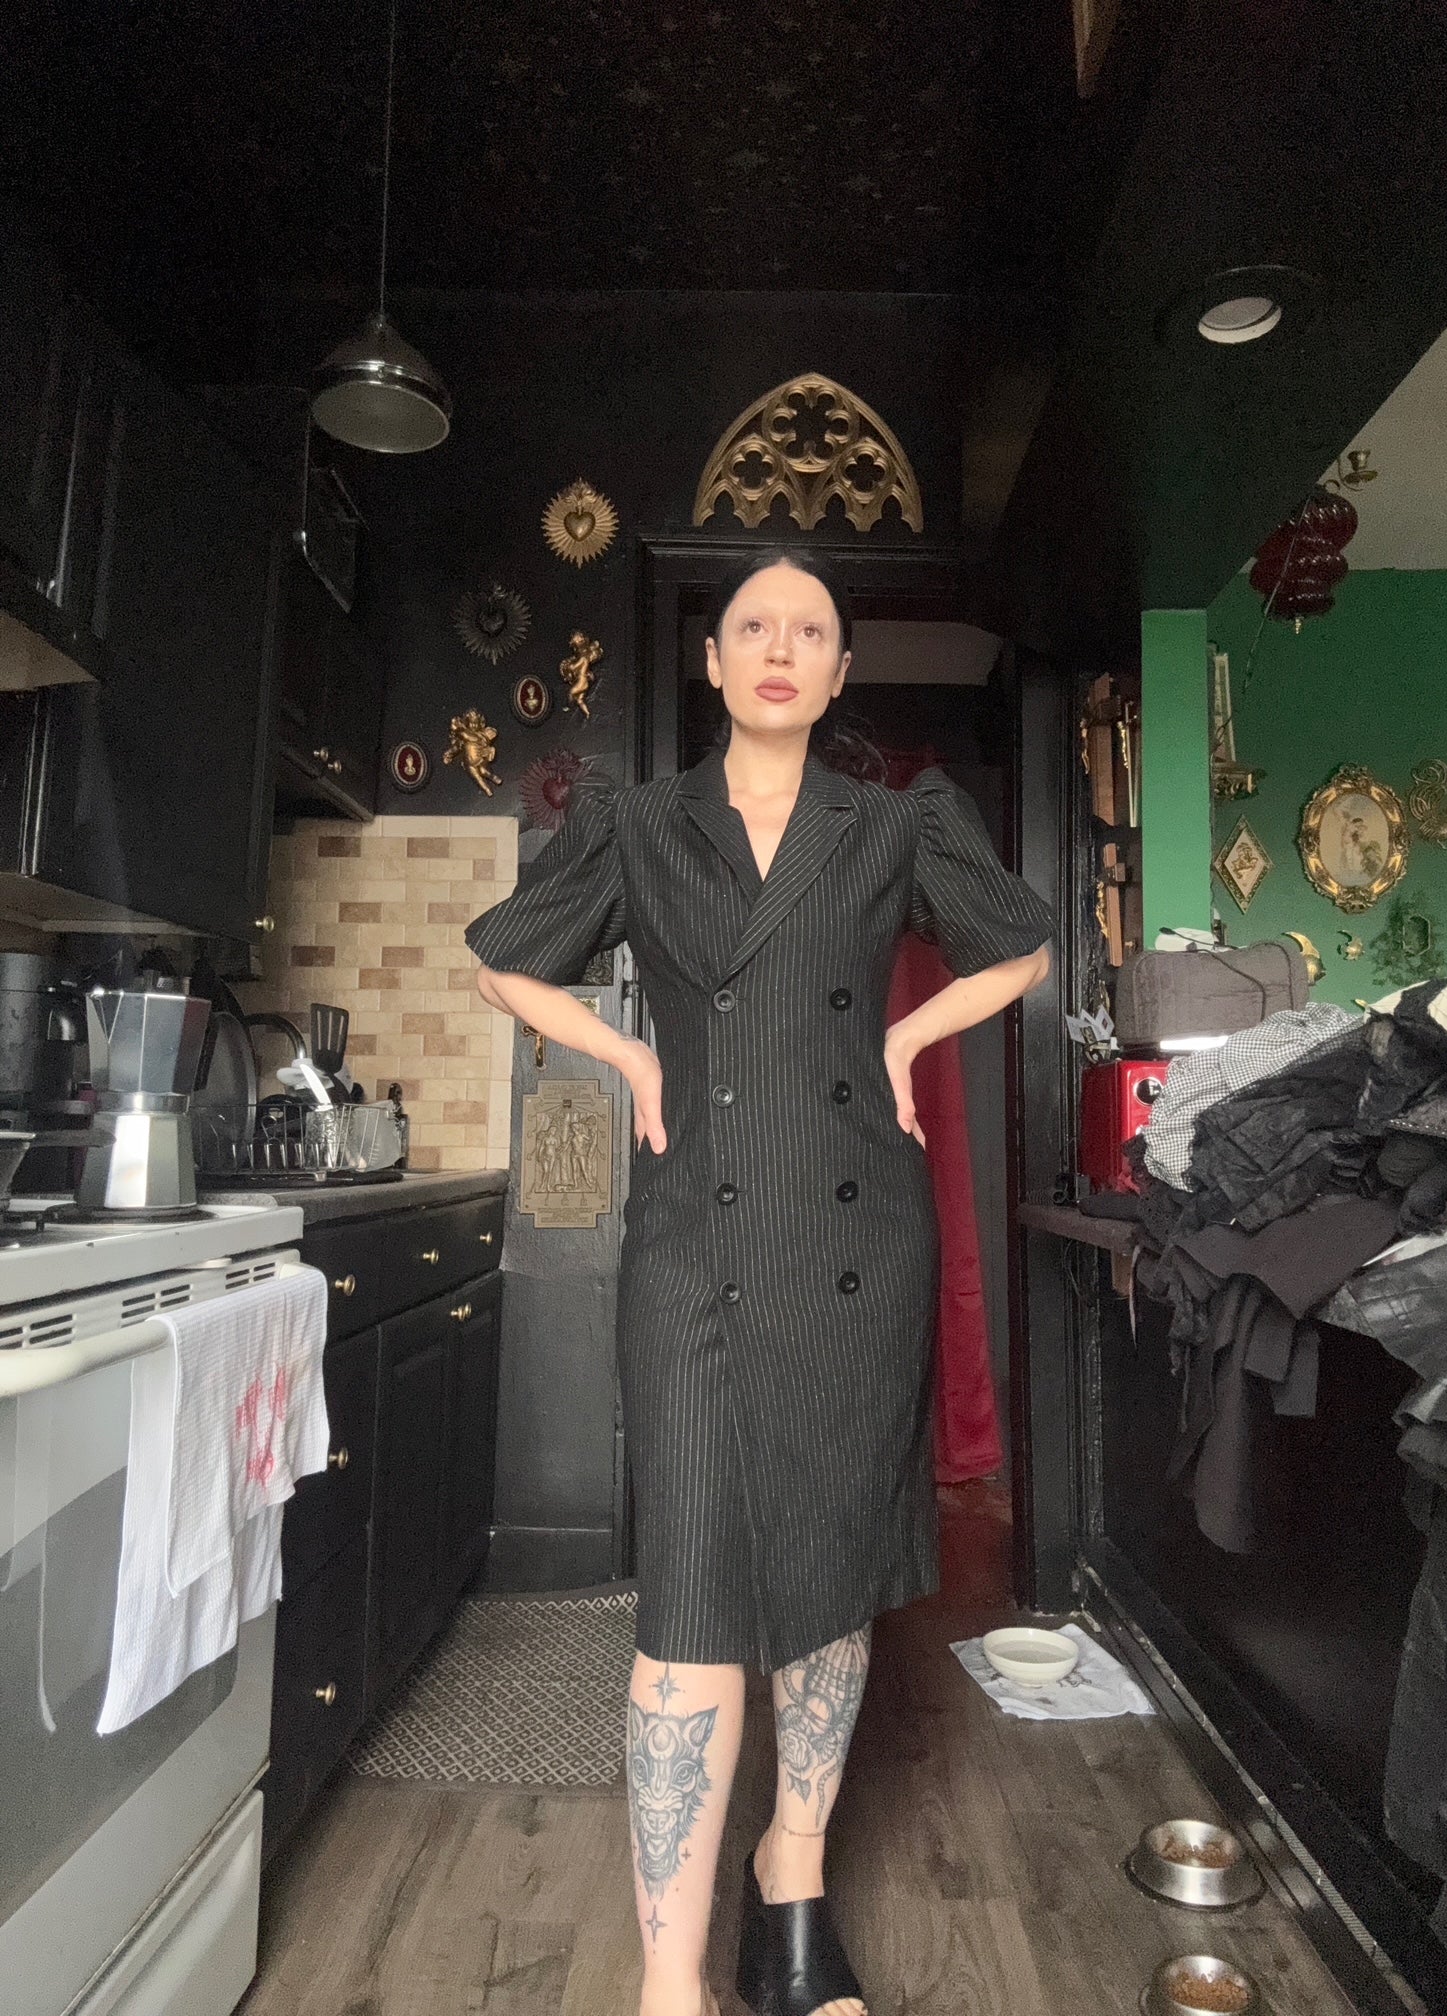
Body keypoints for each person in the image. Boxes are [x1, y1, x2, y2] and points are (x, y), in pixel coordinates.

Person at [466, 549, 1053, 2016]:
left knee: (829, 1588)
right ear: (717, 664)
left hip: (857, 1251)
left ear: (840, 674)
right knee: (690, 1598)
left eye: (812, 631)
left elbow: (1022, 952)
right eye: (754, 628)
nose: (781, 648)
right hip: (691, 1251)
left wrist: (906, 1041)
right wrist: (630, 1053)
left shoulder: (895, 823)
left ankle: (793, 1872)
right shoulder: (638, 824)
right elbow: (505, 963)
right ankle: (671, 1976)